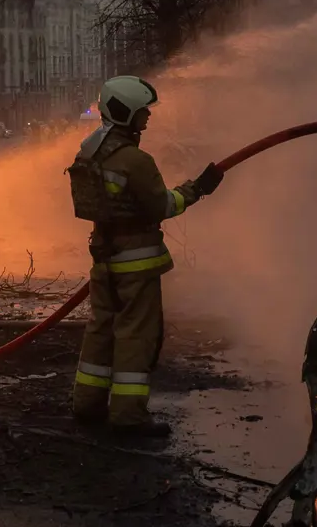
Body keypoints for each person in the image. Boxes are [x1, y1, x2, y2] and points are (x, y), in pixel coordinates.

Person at [67, 75, 224, 438]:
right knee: (136, 335)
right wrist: (197, 189)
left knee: (101, 330)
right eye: (143, 113)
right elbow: (162, 205)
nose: (148, 119)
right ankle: (127, 415)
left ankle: (87, 404)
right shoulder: (135, 160)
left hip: (104, 259)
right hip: (136, 264)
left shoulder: (89, 152)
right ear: (126, 114)